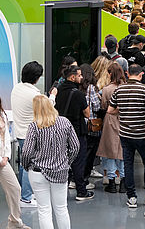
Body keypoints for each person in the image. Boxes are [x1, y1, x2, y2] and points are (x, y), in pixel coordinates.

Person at [22, 95, 79, 229]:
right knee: (61, 209)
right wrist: (66, 162)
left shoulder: (34, 127)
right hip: (60, 171)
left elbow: (26, 152)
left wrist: (27, 166)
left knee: (44, 210)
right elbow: (75, 147)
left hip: (38, 172)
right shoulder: (65, 122)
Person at [107, 64, 145, 208]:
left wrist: (122, 111)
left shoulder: (119, 89)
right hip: (142, 134)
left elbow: (110, 110)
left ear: (128, 74)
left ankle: (132, 197)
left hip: (125, 134)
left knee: (128, 164)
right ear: (141, 74)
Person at [11, 61, 57, 208]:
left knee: (24, 165)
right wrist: (53, 95)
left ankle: (25, 194)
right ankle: (26, 198)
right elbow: (48, 109)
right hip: (31, 134)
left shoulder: (16, 88)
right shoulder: (34, 94)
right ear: (37, 78)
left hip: (19, 132)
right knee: (29, 167)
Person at [55, 65, 94, 201]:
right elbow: (87, 113)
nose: (81, 77)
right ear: (73, 77)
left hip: (60, 130)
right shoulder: (79, 94)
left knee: (61, 160)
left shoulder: (58, 91)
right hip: (76, 130)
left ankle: (59, 190)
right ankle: (81, 191)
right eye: (79, 75)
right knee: (78, 161)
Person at [0, 97, 31, 229]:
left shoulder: (2, 114)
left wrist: (6, 156)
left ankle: (15, 222)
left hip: (3, 161)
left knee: (15, 189)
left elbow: (6, 137)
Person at [96, 63, 127, 194]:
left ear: (110, 74)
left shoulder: (106, 90)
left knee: (109, 152)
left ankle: (112, 182)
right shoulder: (126, 88)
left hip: (110, 121)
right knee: (123, 152)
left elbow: (103, 106)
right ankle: (124, 182)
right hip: (125, 120)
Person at [78, 64, 101, 190]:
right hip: (91, 125)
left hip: (79, 124)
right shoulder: (91, 88)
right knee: (89, 153)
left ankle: (74, 178)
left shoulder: (77, 87)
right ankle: (84, 179)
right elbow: (97, 107)